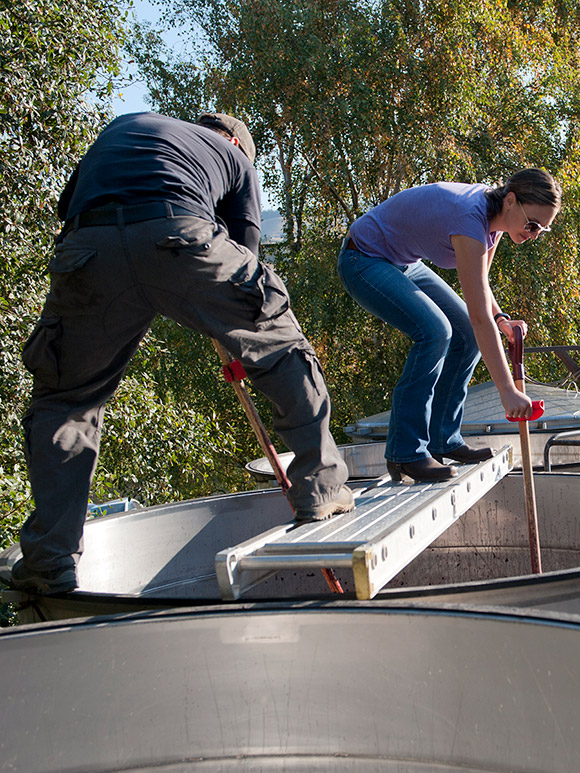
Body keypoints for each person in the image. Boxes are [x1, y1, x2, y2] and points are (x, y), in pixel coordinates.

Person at [11, 111, 353, 595]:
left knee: (66, 400)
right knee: (280, 343)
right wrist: (239, 339)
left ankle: (49, 559)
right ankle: (322, 488)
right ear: (236, 141)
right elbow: (245, 251)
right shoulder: (236, 158)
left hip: (88, 252)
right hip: (180, 235)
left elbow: (69, 207)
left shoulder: (126, 126)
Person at [337, 168, 561, 483]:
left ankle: (443, 438)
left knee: (466, 335)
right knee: (435, 332)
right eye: (532, 224)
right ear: (511, 201)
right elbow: (478, 313)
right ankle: (406, 453)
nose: (534, 234)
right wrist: (507, 390)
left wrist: (501, 320)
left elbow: (481, 291)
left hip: (403, 263)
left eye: (542, 230)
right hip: (363, 259)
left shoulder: (492, 221)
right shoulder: (471, 221)